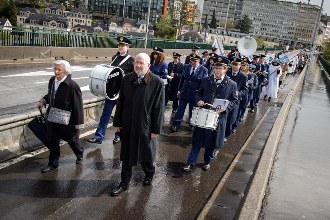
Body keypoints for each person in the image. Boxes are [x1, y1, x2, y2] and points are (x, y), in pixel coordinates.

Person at [110, 53, 164, 196]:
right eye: (137, 63)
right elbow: (121, 102)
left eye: (142, 63)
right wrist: (118, 122)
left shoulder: (156, 82)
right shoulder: (127, 79)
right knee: (126, 154)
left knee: (145, 154)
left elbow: (159, 108)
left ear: (148, 66)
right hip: (128, 124)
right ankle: (124, 183)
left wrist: (155, 129)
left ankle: (149, 173)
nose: (138, 66)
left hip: (144, 126)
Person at [183, 62, 238, 172]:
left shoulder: (232, 84)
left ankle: (207, 162)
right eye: (216, 68)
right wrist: (199, 100)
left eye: (220, 68)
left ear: (225, 69)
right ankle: (190, 163)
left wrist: (225, 108)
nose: (217, 70)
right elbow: (199, 93)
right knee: (197, 141)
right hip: (204, 114)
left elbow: (234, 100)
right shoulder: (206, 80)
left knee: (212, 142)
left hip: (218, 116)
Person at [36, 60, 84, 173]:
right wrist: (43, 101)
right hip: (52, 117)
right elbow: (51, 95)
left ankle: (79, 153)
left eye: (59, 70)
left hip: (66, 119)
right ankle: (53, 163)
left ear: (66, 71)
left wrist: (78, 124)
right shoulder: (52, 81)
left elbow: (78, 106)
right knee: (53, 140)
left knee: (72, 140)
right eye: (55, 69)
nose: (56, 72)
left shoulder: (73, 86)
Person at [88, 36, 134, 145]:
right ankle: (99, 137)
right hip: (111, 93)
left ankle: (118, 135)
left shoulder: (131, 60)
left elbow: (132, 78)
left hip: (122, 93)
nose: (120, 47)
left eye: (123, 45)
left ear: (128, 47)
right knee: (105, 115)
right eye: (119, 45)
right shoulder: (114, 57)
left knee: (120, 116)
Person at [171, 54, 208, 132]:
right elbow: (182, 79)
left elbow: (203, 85)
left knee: (192, 110)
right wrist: (179, 90)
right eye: (192, 61)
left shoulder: (204, 70)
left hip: (194, 94)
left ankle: (191, 124)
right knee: (180, 109)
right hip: (184, 92)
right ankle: (176, 124)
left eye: (195, 61)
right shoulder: (186, 67)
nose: (193, 63)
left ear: (199, 61)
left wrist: (201, 96)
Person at [225, 57, 247, 137]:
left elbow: (244, 89)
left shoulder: (243, 76)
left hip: (234, 100)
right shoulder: (226, 73)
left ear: (240, 65)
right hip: (225, 98)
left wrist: (239, 93)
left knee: (231, 118)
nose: (234, 66)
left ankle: (226, 135)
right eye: (233, 64)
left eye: (236, 65)